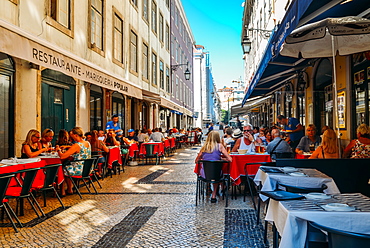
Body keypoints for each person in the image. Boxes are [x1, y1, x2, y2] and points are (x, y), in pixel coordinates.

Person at [195, 131, 232, 203]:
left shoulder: (204, 147)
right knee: (217, 173)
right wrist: (220, 159)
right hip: (216, 173)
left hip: (205, 174)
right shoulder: (220, 146)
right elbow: (230, 159)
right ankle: (214, 195)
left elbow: (196, 161)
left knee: (211, 171)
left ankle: (209, 188)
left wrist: (203, 159)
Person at [55, 127, 91, 196]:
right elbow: (80, 150)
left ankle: (65, 190)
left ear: (76, 135)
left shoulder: (76, 145)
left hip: (78, 169)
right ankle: (69, 188)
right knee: (67, 167)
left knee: (61, 169)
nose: (71, 138)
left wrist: (58, 149)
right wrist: (68, 147)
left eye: (72, 136)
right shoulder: (87, 143)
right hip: (86, 168)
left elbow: (62, 156)